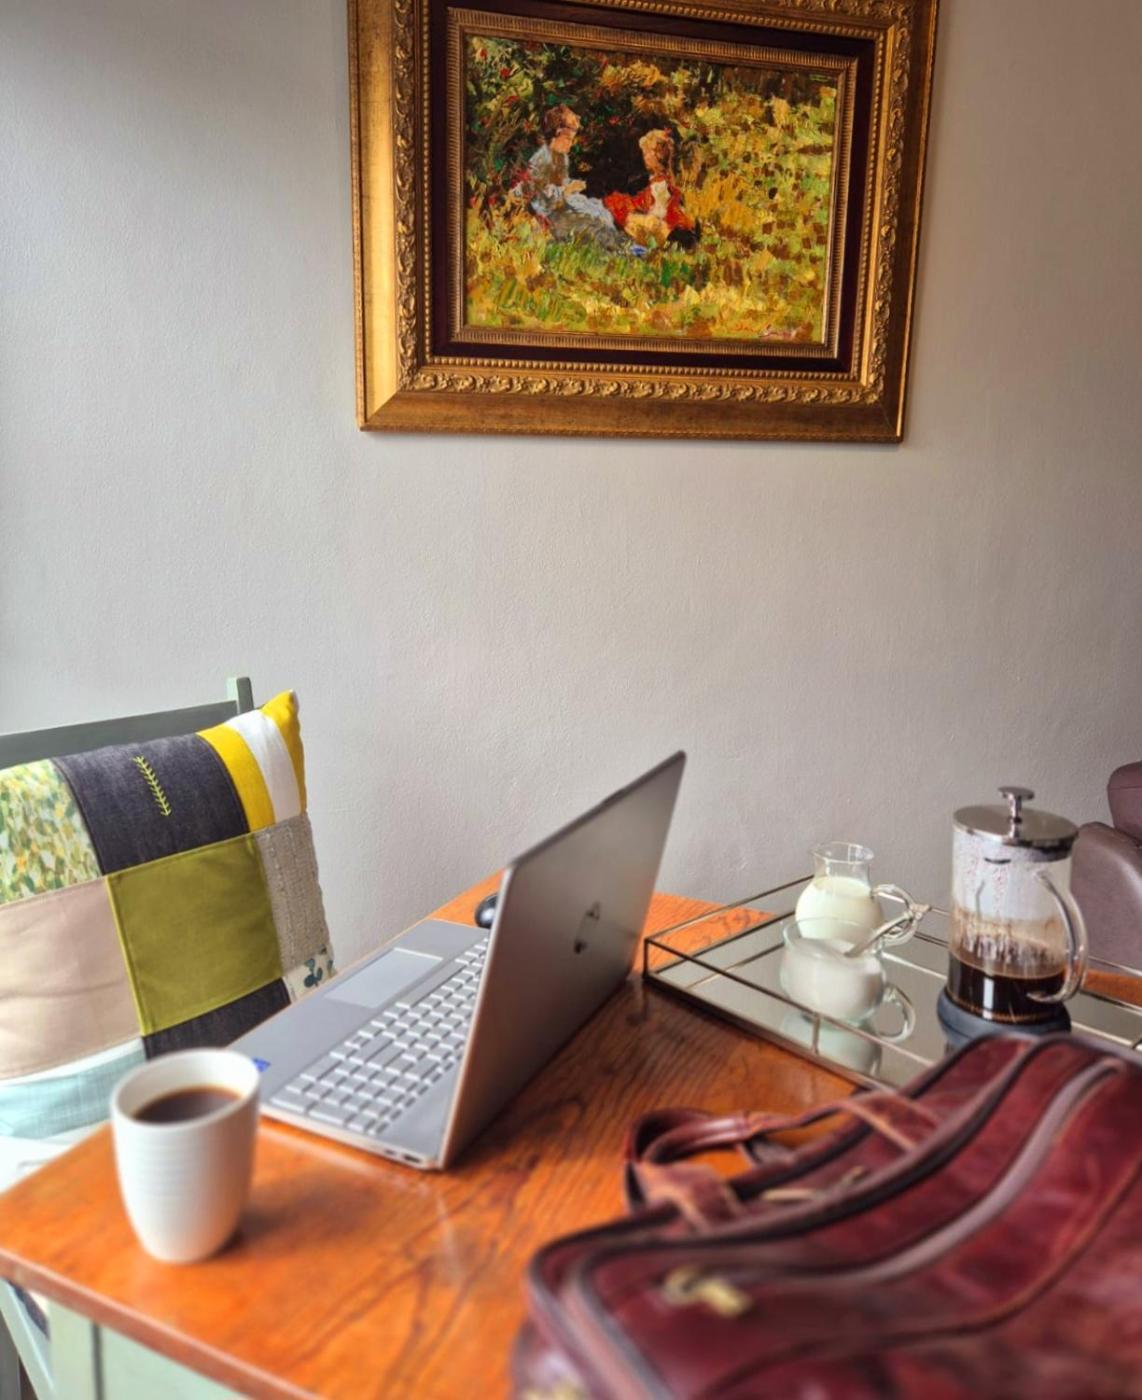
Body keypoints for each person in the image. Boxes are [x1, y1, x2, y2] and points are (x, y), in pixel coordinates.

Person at [511, 105, 635, 254]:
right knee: (589, 223)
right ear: (556, 134)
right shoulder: (542, 160)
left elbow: (562, 184)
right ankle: (619, 248)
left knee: (598, 209)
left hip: (562, 207)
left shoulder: (562, 158)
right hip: (549, 217)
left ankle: (623, 243)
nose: (571, 144)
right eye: (568, 139)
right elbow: (540, 200)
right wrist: (568, 190)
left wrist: (572, 187)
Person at [604, 129, 698, 250]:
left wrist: (638, 217)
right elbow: (644, 202)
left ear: (657, 155)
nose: (644, 157)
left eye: (646, 153)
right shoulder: (655, 179)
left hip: (670, 230)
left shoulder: (663, 182)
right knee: (626, 214)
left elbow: (659, 212)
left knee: (634, 222)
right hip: (663, 224)